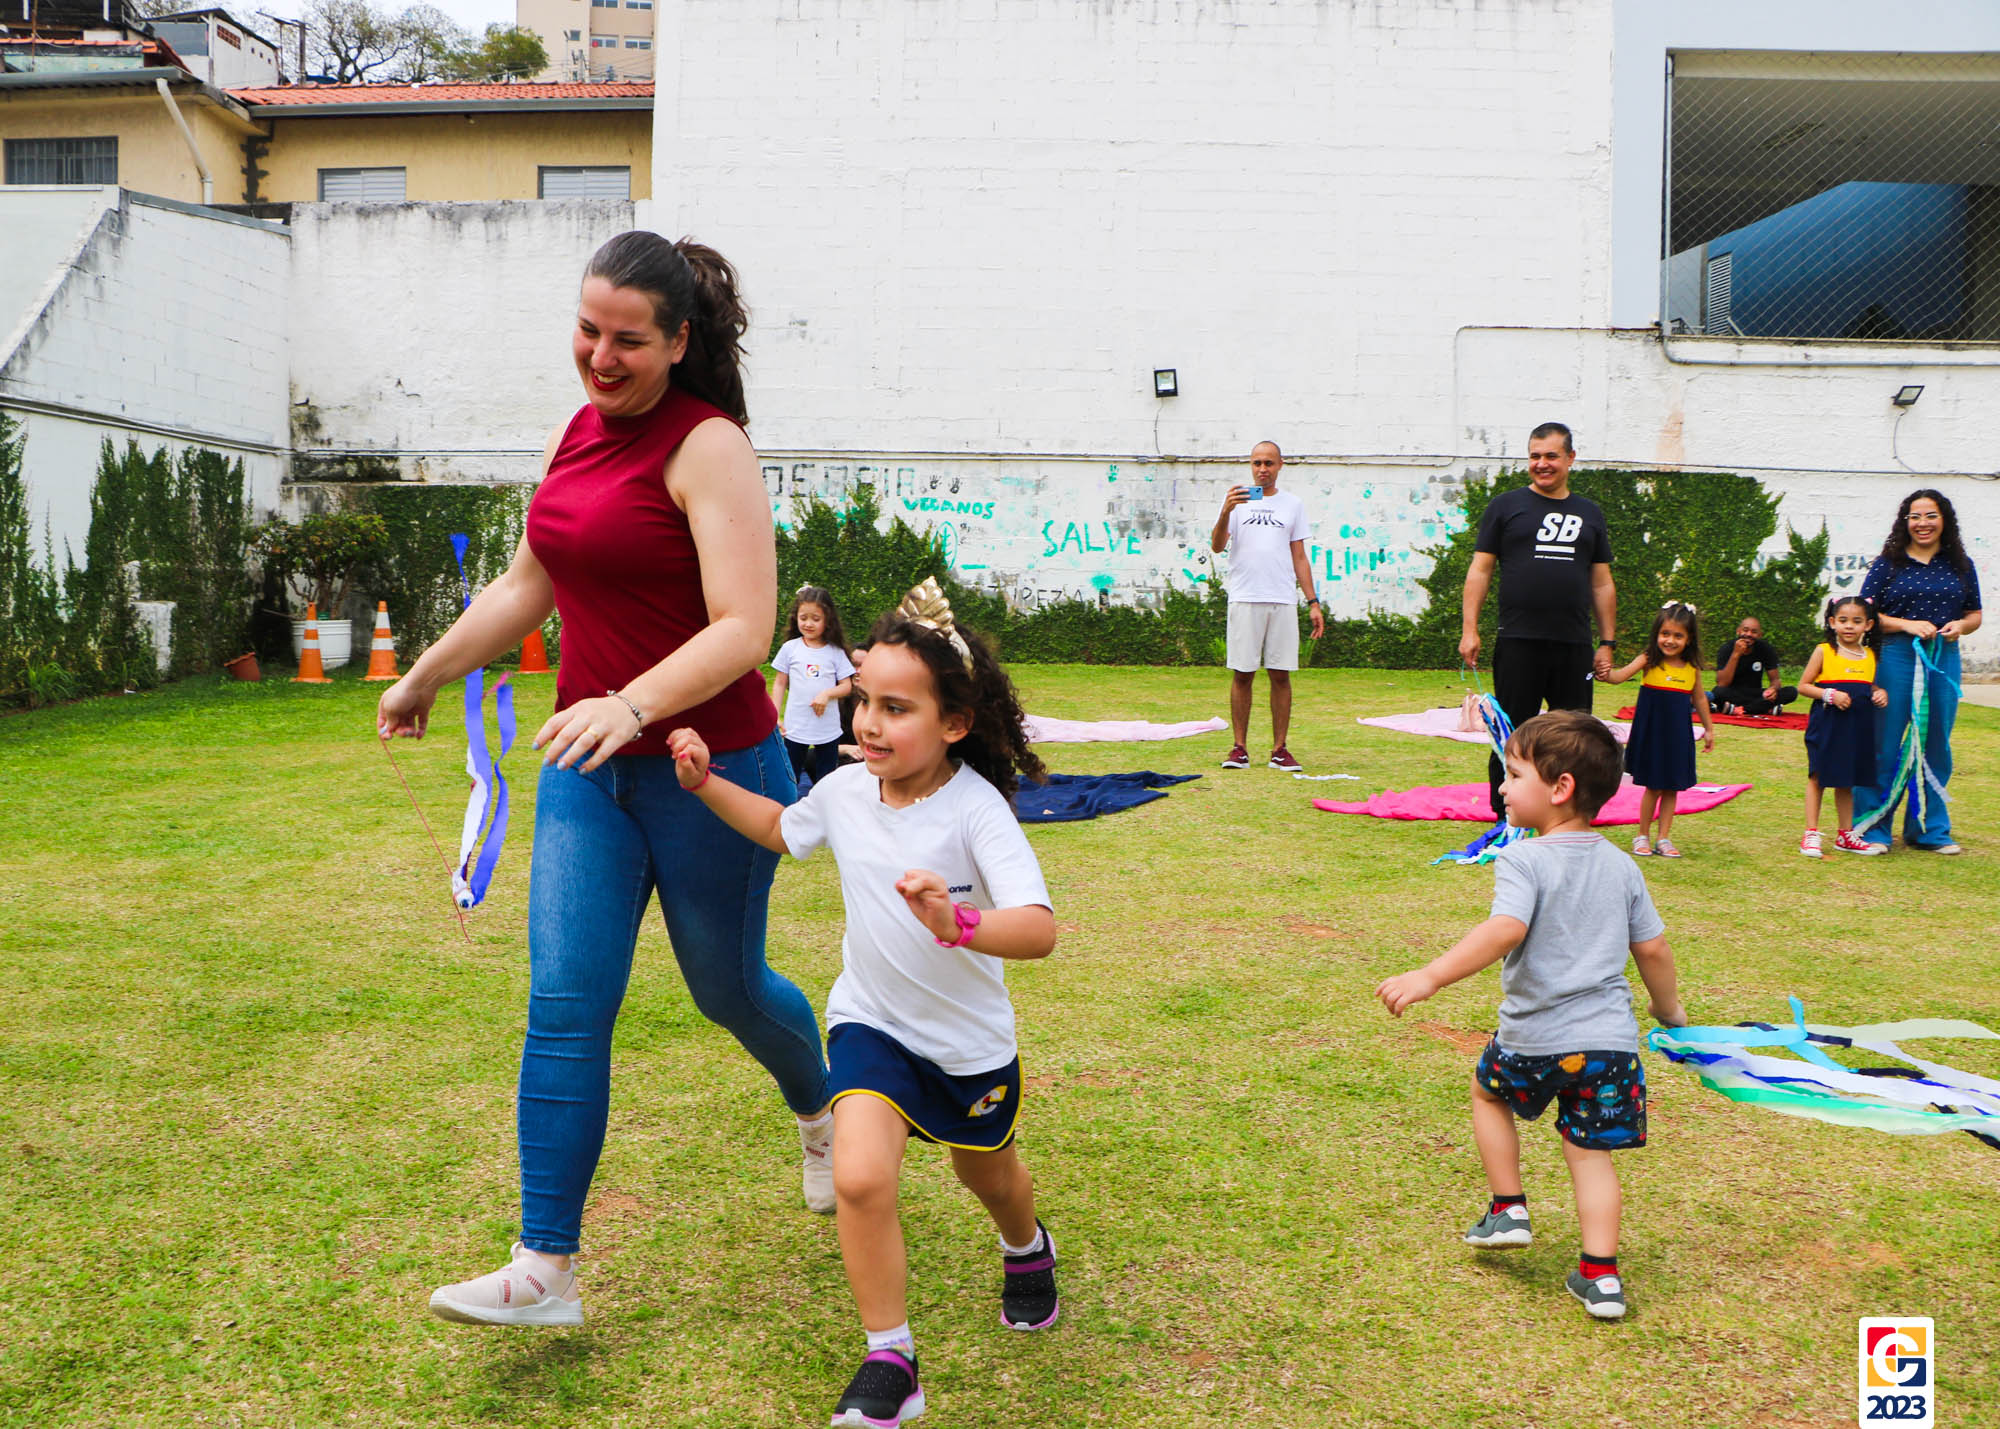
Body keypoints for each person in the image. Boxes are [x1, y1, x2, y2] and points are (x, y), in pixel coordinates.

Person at [378, 231, 834, 1328]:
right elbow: (526, 582)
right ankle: (545, 1266)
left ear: (678, 341)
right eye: (587, 330)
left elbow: (745, 626)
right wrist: (427, 671)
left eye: (628, 339)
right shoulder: (572, 434)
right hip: (588, 772)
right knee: (566, 1001)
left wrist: (633, 703)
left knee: (727, 990)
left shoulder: (710, 447)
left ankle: (821, 1106)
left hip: (711, 769)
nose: (600, 355)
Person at [667, 578, 1059, 1428]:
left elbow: (1038, 928)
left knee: (987, 1174)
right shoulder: (845, 792)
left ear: (955, 723)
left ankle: (1027, 1246)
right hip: (870, 1024)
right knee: (858, 1175)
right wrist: (705, 785)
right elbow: (781, 828)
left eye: (897, 708)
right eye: (865, 701)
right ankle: (891, 1356)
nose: (870, 723)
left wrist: (957, 922)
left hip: (966, 1047)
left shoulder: (977, 810)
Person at [1375, 710, 1687, 1322]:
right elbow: (1651, 948)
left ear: (1560, 787)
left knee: (1487, 1094)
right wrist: (1668, 1009)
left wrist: (1430, 975)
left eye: (1514, 775)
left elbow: (1505, 929)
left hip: (1533, 1038)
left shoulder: (1524, 859)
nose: (1502, 786)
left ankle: (1507, 1208)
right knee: (1589, 1153)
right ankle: (1601, 1277)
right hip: (1609, 1049)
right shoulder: (1623, 865)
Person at [1460, 422, 1618, 816]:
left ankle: (1570, 816)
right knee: (1511, 732)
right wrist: (1469, 630)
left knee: (1576, 736)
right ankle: (1507, 816)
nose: (1542, 464)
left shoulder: (1590, 513)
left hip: (1573, 645)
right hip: (1518, 641)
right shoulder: (1505, 507)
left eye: (1551, 456)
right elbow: (1480, 570)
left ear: (1570, 458)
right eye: (1534, 456)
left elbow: (1601, 583)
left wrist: (1607, 642)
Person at [1854, 489, 1983, 854]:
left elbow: (1975, 614)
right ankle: (1871, 826)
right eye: (1915, 516)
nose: (1922, 523)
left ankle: (1928, 829)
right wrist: (1905, 624)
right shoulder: (1888, 564)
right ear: (1905, 521)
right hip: (1896, 656)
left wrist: (1961, 626)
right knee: (1884, 741)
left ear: (1944, 520)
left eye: (1930, 516)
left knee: (1935, 743)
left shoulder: (1960, 564)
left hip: (1943, 657)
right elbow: (1864, 614)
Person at [1210, 440, 1324, 772]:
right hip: (1245, 597)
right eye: (1257, 463)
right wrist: (1225, 511)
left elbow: (1299, 556)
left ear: (1280, 465)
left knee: (1280, 674)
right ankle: (1239, 749)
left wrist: (1313, 602)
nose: (1263, 469)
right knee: (1243, 673)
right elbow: (1217, 546)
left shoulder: (1292, 504)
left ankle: (1279, 750)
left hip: (1282, 599)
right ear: (1251, 465)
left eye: (1269, 463)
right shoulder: (1237, 502)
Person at [1599, 602, 1715, 859]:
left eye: (1678, 635)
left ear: (1689, 638)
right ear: (1656, 634)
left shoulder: (1691, 668)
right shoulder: (1648, 659)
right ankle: (1642, 835)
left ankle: (1663, 838)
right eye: (1665, 634)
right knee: (1653, 786)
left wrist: (1709, 729)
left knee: (1672, 787)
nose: (1670, 640)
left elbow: (1699, 699)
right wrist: (1605, 673)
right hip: (1652, 734)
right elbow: (1619, 676)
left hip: (1677, 737)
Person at [1797, 596, 1888, 858]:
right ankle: (1811, 833)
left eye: (1857, 621)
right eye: (1843, 620)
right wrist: (1829, 695)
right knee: (1818, 776)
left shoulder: (1870, 656)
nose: (1849, 626)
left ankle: (1846, 835)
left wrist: (1879, 692)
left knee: (1847, 780)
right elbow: (1803, 685)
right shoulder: (1824, 651)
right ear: (1832, 622)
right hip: (1827, 724)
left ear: (1868, 625)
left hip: (1857, 728)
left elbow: (1867, 685)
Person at [772, 584, 855, 789]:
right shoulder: (790, 649)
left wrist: (827, 694)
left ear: (828, 621)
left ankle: (824, 806)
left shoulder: (835, 652)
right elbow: (780, 682)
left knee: (826, 780)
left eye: (815, 619)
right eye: (803, 618)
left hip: (827, 729)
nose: (808, 624)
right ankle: (790, 807)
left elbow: (846, 686)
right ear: (796, 618)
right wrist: (774, 715)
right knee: (791, 777)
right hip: (795, 727)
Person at [1709, 615, 1797, 715]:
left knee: (1791, 692)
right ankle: (1765, 708)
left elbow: (1775, 680)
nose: (1749, 634)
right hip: (1733, 693)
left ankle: (1738, 709)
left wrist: (1773, 690)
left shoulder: (1765, 649)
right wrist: (1735, 654)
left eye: (1754, 632)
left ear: (1760, 635)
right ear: (1738, 631)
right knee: (1717, 692)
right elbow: (1722, 683)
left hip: (1756, 693)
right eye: (1745, 630)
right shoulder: (1727, 649)